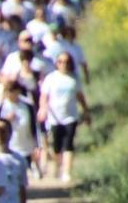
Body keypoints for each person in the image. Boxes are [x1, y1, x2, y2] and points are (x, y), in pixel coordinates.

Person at [39, 51, 91, 183]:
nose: (64, 64)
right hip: (54, 117)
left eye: (67, 62)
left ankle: (66, 171)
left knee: (68, 144)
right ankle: (58, 164)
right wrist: (43, 110)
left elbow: (80, 97)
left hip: (70, 116)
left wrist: (86, 112)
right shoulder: (51, 78)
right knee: (56, 145)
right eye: (61, 61)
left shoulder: (74, 79)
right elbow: (44, 97)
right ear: (56, 63)